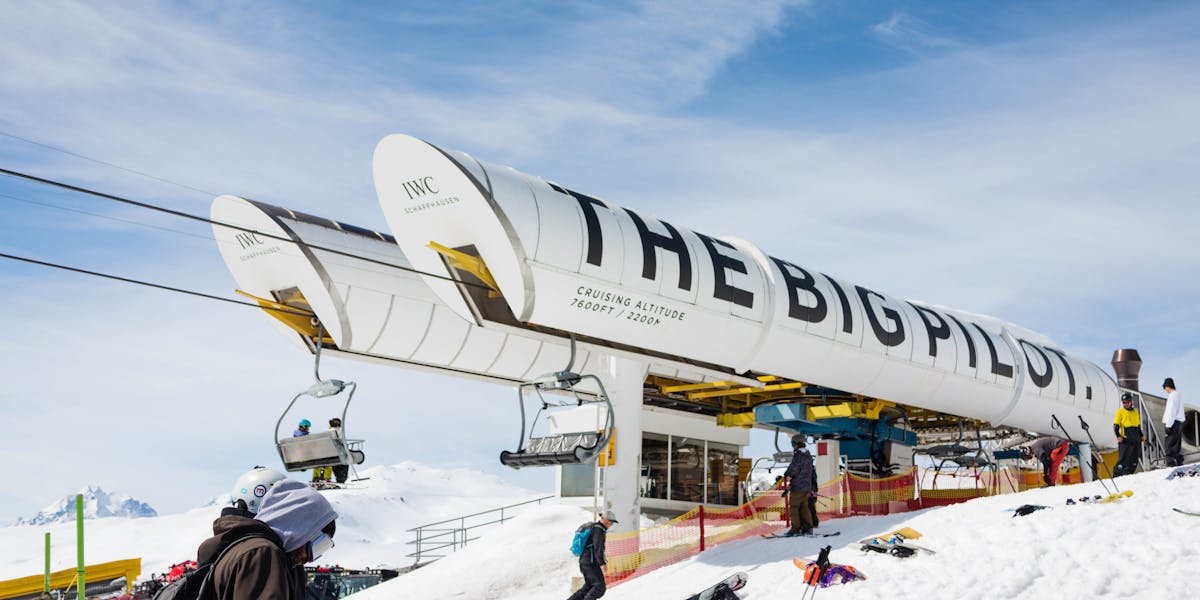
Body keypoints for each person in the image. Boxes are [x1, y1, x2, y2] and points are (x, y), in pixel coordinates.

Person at [195, 478, 338, 600]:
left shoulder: (242, 548)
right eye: (318, 545)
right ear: (301, 529)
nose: (310, 559)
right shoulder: (262, 553)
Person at [567, 510, 617, 600]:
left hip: (585, 562)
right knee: (599, 587)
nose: (611, 525)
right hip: (590, 562)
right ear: (606, 520)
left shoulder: (595, 528)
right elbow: (598, 547)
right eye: (611, 522)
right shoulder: (598, 529)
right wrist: (602, 563)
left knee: (589, 586)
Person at [782, 433, 815, 536]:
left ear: (797, 443)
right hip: (806, 487)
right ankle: (808, 528)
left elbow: (794, 468)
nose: (792, 445)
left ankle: (795, 529)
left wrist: (787, 475)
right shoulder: (808, 455)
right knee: (804, 507)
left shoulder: (798, 455)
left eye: (792, 443)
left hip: (798, 487)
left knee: (794, 507)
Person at [1113, 392, 1143, 477]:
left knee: (1134, 461)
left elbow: (1138, 427)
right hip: (1125, 441)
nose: (1126, 404)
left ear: (1131, 402)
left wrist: (1142, 437)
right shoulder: (1120, 412)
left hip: (1135, 440)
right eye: (1124, 402)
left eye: (1127, 402)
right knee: (1123, 461)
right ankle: (1116, 476)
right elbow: (1115, 426)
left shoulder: (1135, 412)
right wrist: (1118, 436)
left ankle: (1128, 477)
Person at [1163, 378, 1185, 467]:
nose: (1165, 390)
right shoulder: (1178, 395)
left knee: (1169, 444)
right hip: (1179, 422)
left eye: (1165, 387)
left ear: (1168, 386)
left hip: (1172, 422)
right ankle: (1179, 459)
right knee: (1176, 444)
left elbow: (1171, 411)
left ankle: (1170, 463)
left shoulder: (1172, 395)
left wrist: (1168, 425)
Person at [328, 417, 350, 484]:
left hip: (330, 454)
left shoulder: (328, 432)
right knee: (346, 461)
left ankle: (339, 477)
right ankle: (342, 478)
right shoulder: (336, 431)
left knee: (336, 464)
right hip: (339, 453)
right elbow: (341, 441)